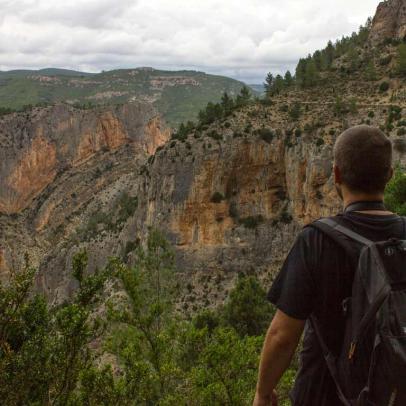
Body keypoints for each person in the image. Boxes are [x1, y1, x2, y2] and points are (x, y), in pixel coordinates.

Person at [253, 125, 405, 406]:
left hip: (323, 393)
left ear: (336, 174)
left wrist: (263, 393)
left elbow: (282, 335)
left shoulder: (317, 240)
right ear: (390, 175)